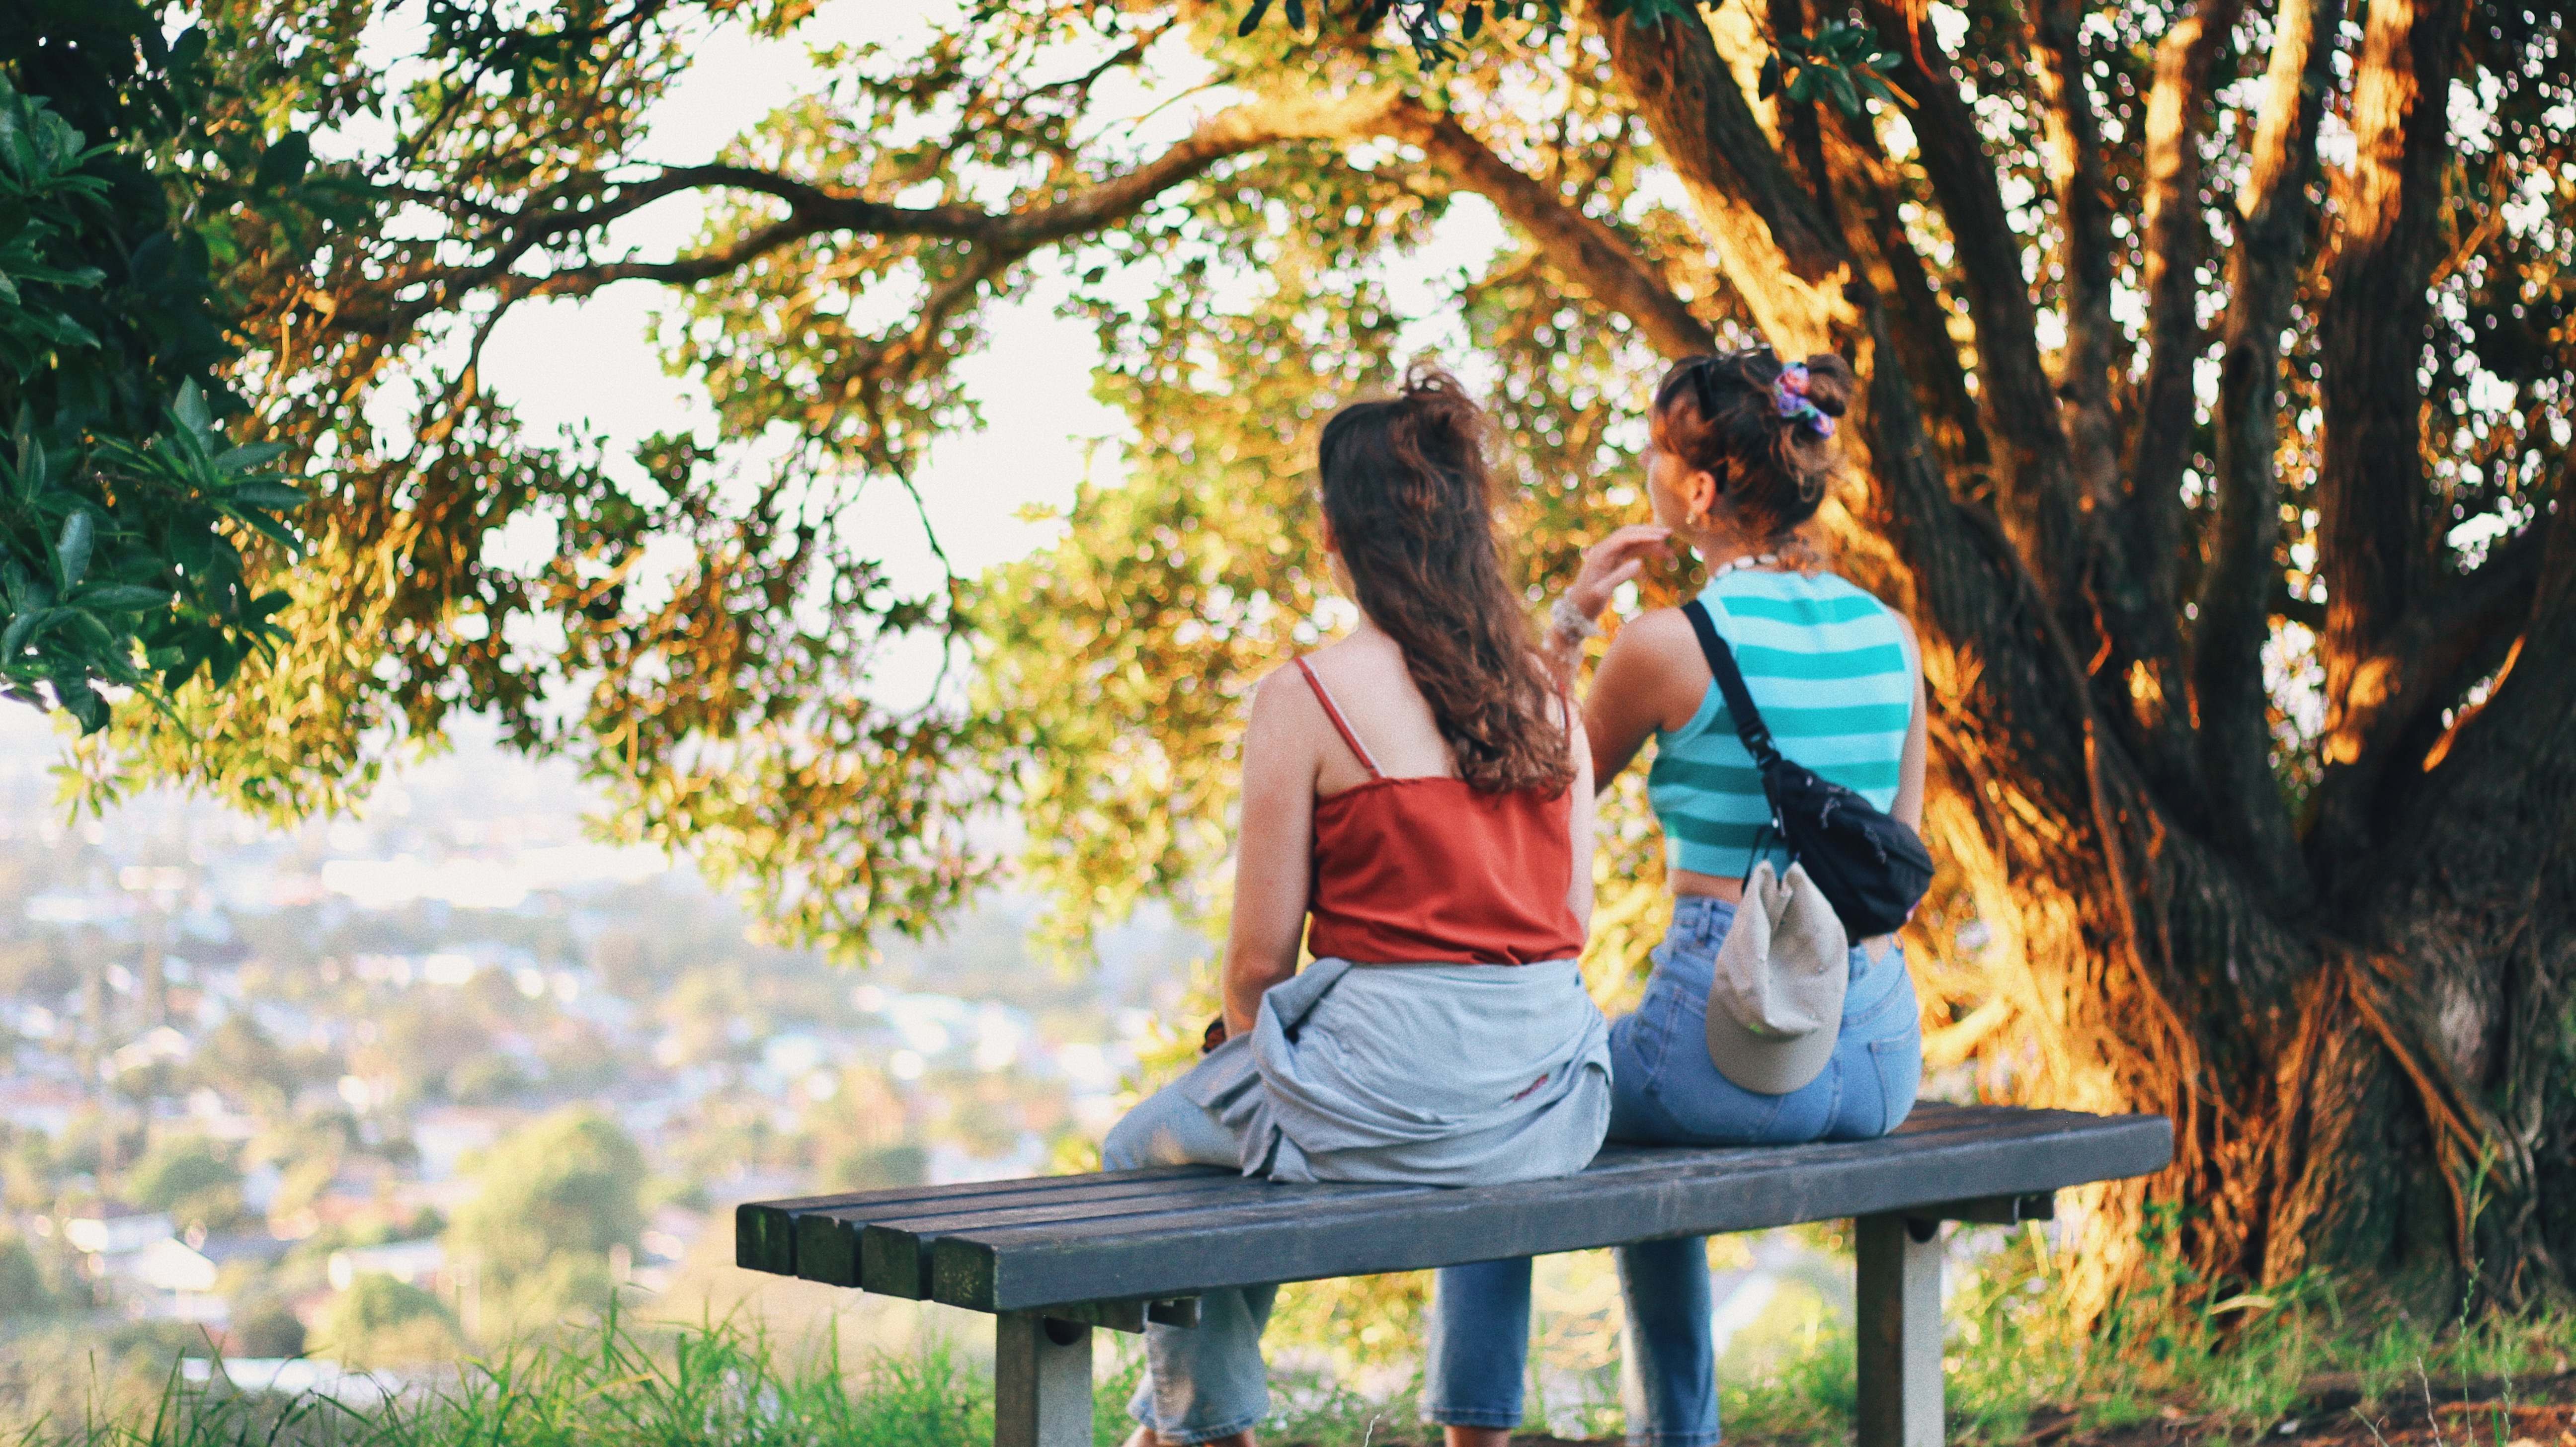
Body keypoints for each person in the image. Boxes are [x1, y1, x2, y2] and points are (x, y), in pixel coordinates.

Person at [1423, 350, 1929, 1447]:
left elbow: (1522, 802)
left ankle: (1477, 1435)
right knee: (1641, 1125)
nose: (1649, 468)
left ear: (1699, 492)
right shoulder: (1894, 638)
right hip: (1877, 1052)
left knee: (1508, 1103)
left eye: (1657, 449)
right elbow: (1906, 856)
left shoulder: (1666, 645)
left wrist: (1568, 621)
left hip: (1730, 1056)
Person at [1103, 367, 1613, 1447]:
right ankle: (1179, 1426)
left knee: (1150, 1147)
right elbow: (1572, 918)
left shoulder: (1309, 694)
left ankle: (1205, 1427)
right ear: (1473, 529)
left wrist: (1264, 1074)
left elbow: (1255, 969)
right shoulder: (1549, 695)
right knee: (1250, 1133)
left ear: (1333, 532)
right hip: (1548, 1103)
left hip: (1389, 1085)